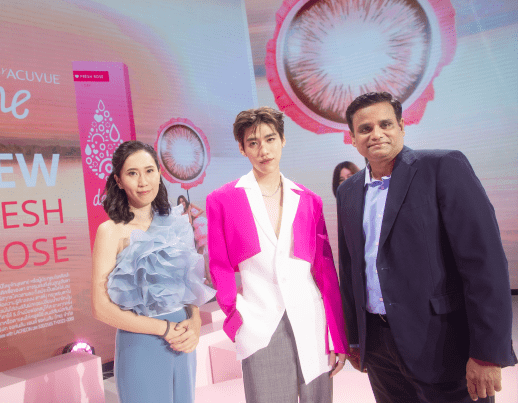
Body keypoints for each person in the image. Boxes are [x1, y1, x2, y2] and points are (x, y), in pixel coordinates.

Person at [336, 92, 516, 403]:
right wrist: (355, 338)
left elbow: (484, 264)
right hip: (379, 349)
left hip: (443, 345)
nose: (376, 134)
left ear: (402, 127)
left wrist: (488, 354)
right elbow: (351, 267)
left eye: (385, 124)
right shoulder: (348, 191)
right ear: (352, 138)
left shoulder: (443, 167)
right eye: (365, 129)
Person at [207, 107, 348, 403]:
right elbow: (220, 266)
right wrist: (235, 317)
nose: (264, 150)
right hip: (259, 324)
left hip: (311, 320)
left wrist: (337, 335)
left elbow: (324, 271)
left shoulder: (308, 200)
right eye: (253, 142)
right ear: (242, 148)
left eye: (270, 139)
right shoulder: (223, 200)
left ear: (282, 140)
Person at [91, 141, 215, 403]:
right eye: (132, 173)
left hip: (183, 341)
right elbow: (101, 308)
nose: (143, 181)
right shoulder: (110, 231)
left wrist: (194, 322)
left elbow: (189, 286)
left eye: (149, 171)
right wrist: (164, 329)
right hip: (142, 344)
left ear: (159, 173)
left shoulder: (177, 222)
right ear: (118, 180)